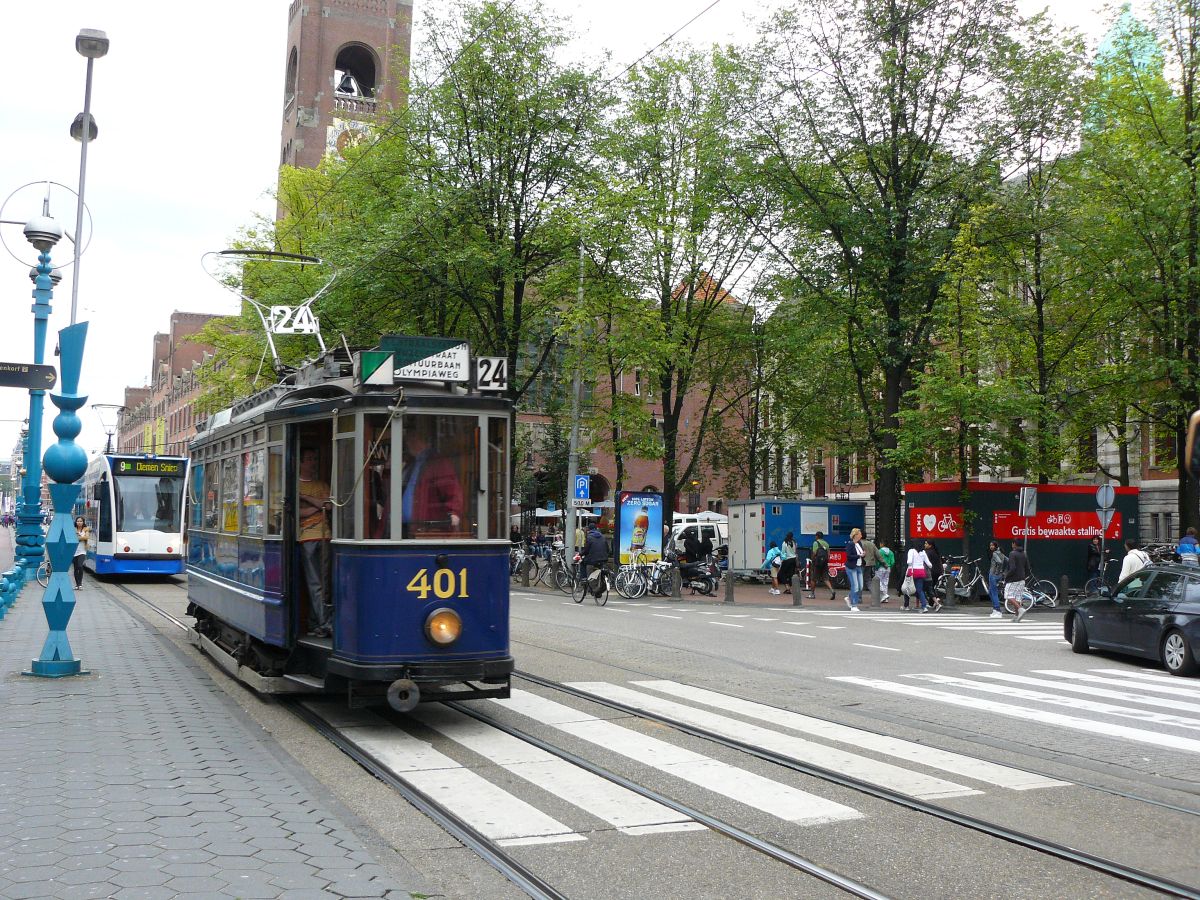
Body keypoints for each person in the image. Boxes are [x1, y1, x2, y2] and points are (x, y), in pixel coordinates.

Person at [402, 420, 464, 534]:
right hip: (404, 529)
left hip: (425, 531)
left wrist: (454, 512)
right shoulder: (411, 462)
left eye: (410, 438)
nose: (407, 443)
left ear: (419, 438)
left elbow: (453, 491)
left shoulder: (437, 462)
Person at [298, 446, 333, 637]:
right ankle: (324, 622)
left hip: (325, 536)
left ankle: (315, 623)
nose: (313, 462)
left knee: (325, 582)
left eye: (314, 458)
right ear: (301, 462)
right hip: (306, 538)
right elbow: (297, 512)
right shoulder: (295, 484)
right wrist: (318, 507)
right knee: (315, 583)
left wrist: (306, 499)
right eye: (309, 459)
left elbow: (329, 505)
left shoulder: (321, 485)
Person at [1004, 542, 1032, 622]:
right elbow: (1028, 568)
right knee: (1017, 597)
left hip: (1013, 579)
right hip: (1022, 579)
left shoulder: (1012, 554)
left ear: (1014, 544)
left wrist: (1007, 576)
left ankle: (1020, 609)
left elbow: (1012, 568)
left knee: (1008, 595)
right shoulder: (1024, 554)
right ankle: (1016, 615)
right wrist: (1024, 576)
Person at [581, 522, 609, 595]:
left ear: (589, 530)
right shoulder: (602, 536)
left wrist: (581, 554)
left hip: (593, 560)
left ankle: (584, 580)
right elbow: (608, 549)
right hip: (603, 559)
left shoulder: (589, 537)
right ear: (596, 529)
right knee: (600, 568)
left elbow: (586, 550)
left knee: (583, 563)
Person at [904, 542, 931, 612]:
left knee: (907, 588)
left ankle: (906, 606)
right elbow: (929, 564)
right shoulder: (923, 552)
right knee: (920, 590)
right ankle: (924, 606)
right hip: (921, 572)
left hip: (912, 572)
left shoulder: (911, 551)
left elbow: (909, 562)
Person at [808, 531, 834, 601]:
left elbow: (814, 553)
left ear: (817, 536)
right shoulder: (826, 543)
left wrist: (812, 560)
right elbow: (828, 554)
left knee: (813, 579)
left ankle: (812, 594)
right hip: (825, 563)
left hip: (817, 563)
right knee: (826, 578)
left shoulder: (815, 543)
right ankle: (832, 591)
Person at [844, 527, 865, 611]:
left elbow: (861, 553)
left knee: (860, 586)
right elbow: (849, 556)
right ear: (855, 535)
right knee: (855, 586)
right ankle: (854, 605)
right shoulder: (850, 544)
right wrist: (859, 555)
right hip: (851, 567)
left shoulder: (859, 543)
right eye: (859, 534)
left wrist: (863, 554)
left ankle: (849, 597)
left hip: (859, 566)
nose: (861, 535)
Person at [987, 540, 1007, 619]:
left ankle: (997, 610)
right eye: (990, 545)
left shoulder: (995, 553)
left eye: (992, 545)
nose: (991, 547)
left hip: (993, 575)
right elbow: (1007, 560)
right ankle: (995, 609)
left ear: (995, 546)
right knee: (991, 592)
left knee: (993, 592)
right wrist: (1003, 572)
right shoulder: (1001, 553)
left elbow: (999, 562)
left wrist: (996, 571)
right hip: (999, 575)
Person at [923, 539, 944, 612]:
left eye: (926, 543)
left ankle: (936, 599)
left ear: (930, 545)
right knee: (932, 586)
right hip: (938, 572)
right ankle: (932, 602)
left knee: (929, 587)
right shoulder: (935, 551)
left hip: (931, 572)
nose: (925, 545)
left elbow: (927, 563)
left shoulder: (927, 553)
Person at [859, 532, 881, 605]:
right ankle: (876, 596)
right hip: (870, 564)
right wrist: (884, 563)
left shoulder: (859, 543)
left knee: (860, 580)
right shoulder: (871, 544)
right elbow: (878, 554)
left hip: (861, 564)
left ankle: (859, 598)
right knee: (868, 580)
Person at [72, 515, 90, 589]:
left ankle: (80, 583)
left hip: (82, 551)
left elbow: (87, 537)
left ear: (83, 522)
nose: (79, 522)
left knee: (80, 565)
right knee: (75, 568)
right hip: (74, 551)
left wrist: (78, 538)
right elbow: (72, 538)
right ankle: (77, 584)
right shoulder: (73, 529)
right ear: (76, 522)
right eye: (78, 521)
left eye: (81, 521)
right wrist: (81, 538)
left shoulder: (86, 529)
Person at [876, 539, 894, 603]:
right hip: (888, 568)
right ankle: (885, 598)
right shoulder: (891, 552)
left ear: (882, 544)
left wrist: (877, 567)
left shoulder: (879, 551)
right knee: (885, 583)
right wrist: (889, 566)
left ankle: (884, 594)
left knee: (879, 582)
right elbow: (893, 562)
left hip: (881, 568)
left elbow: (877, 561)